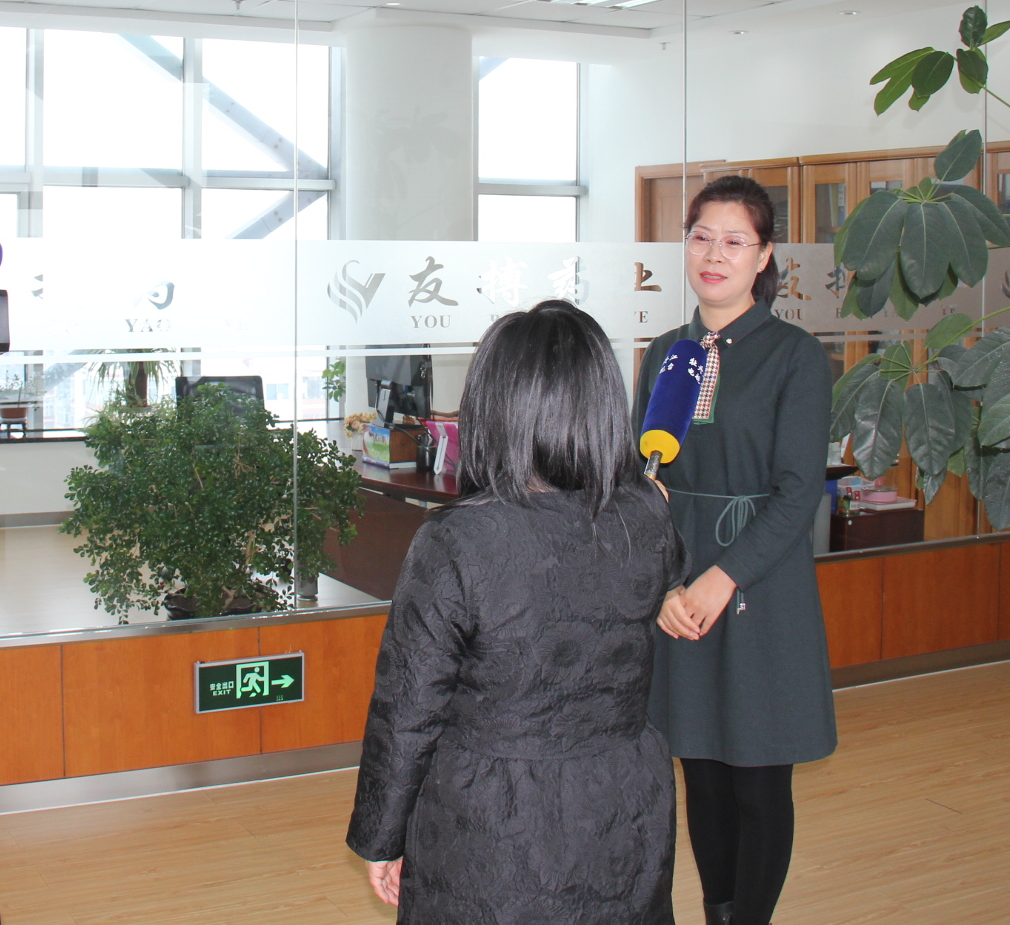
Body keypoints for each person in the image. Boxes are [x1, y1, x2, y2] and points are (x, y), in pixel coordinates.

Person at [347, 299, 686, 924]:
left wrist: (383, 836)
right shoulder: (646, 515)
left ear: (492, 408)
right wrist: (642, 492)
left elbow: (409, 707)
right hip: (624, 798)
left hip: (493, 816)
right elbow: (667, 570)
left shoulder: (458, 540)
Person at [633, 176, 836, 925]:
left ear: (764, 256)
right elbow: (642, 483)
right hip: (679, 588)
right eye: (701, 238)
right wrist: (663, 586)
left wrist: (722, 579)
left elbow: (797, 493)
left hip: (759, 586)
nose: (714, 255)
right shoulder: (665, 354)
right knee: (704, 773)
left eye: (734, 241)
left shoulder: (795, 356)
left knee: (757, 777)